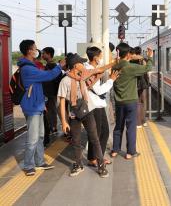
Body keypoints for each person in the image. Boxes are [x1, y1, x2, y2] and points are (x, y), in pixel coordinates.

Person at [17, 40, 65, 176]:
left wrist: (42, 102)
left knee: (40, 135)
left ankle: (39, 161)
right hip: (31, 107)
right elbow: (48, 76)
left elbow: (38, 87)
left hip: (37, 104)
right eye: (34, 48)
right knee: (32, 138)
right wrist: (59, 66)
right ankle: (28, 165)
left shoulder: (31, 66)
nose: (37, 50)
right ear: (29, 50)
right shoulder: (27, 68)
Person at [58, 53, 109, 178]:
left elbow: (100, 69)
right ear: (76, 65)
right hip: (74, 113)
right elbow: (62, 102)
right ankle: (78, 164)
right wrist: (64, 122)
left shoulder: (83, 75)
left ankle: (101, 165)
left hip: (88, 111)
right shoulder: (65, 81)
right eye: (81, 62)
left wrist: (115, 63)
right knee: (76, 140)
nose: (83, 64)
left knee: (94, 138)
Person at [111, 43, 153, 159]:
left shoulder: (115, 67)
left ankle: (115, 150)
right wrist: (150, 57)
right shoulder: (131, 68)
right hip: (131, 102)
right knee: (131, 127)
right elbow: (148, 68)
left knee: (118, 126)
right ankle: (130, 152)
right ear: (129, 54)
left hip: (119, 102)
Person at [85, 46, 119, 167]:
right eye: (100, 56)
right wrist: (111, 80)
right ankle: (95, 158)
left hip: (97, 104)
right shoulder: (89, 70)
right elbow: (98, 90)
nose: (101, 58)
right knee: (99, 133)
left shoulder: (92, 68)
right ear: (95, 58)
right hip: (94, 105)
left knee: (101, 132)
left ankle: (96, 157)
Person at [42, 47, 62, 138]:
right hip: (50, 92)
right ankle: (52, 127)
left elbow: (56, 79)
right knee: (51, 110)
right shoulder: (50, 65)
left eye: (44, 53)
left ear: (49, 54)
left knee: (51, 111)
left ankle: (53, 128)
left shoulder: (52, 66)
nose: (42, 55)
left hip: (51, 93)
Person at [129, 46, 150, 128]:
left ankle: (138, 122)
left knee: (136, 102)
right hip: (143, 82)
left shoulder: (130, 60)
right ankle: (143, 120)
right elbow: (147, 69)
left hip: (134, 83)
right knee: (143, 102)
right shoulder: (142, 59)